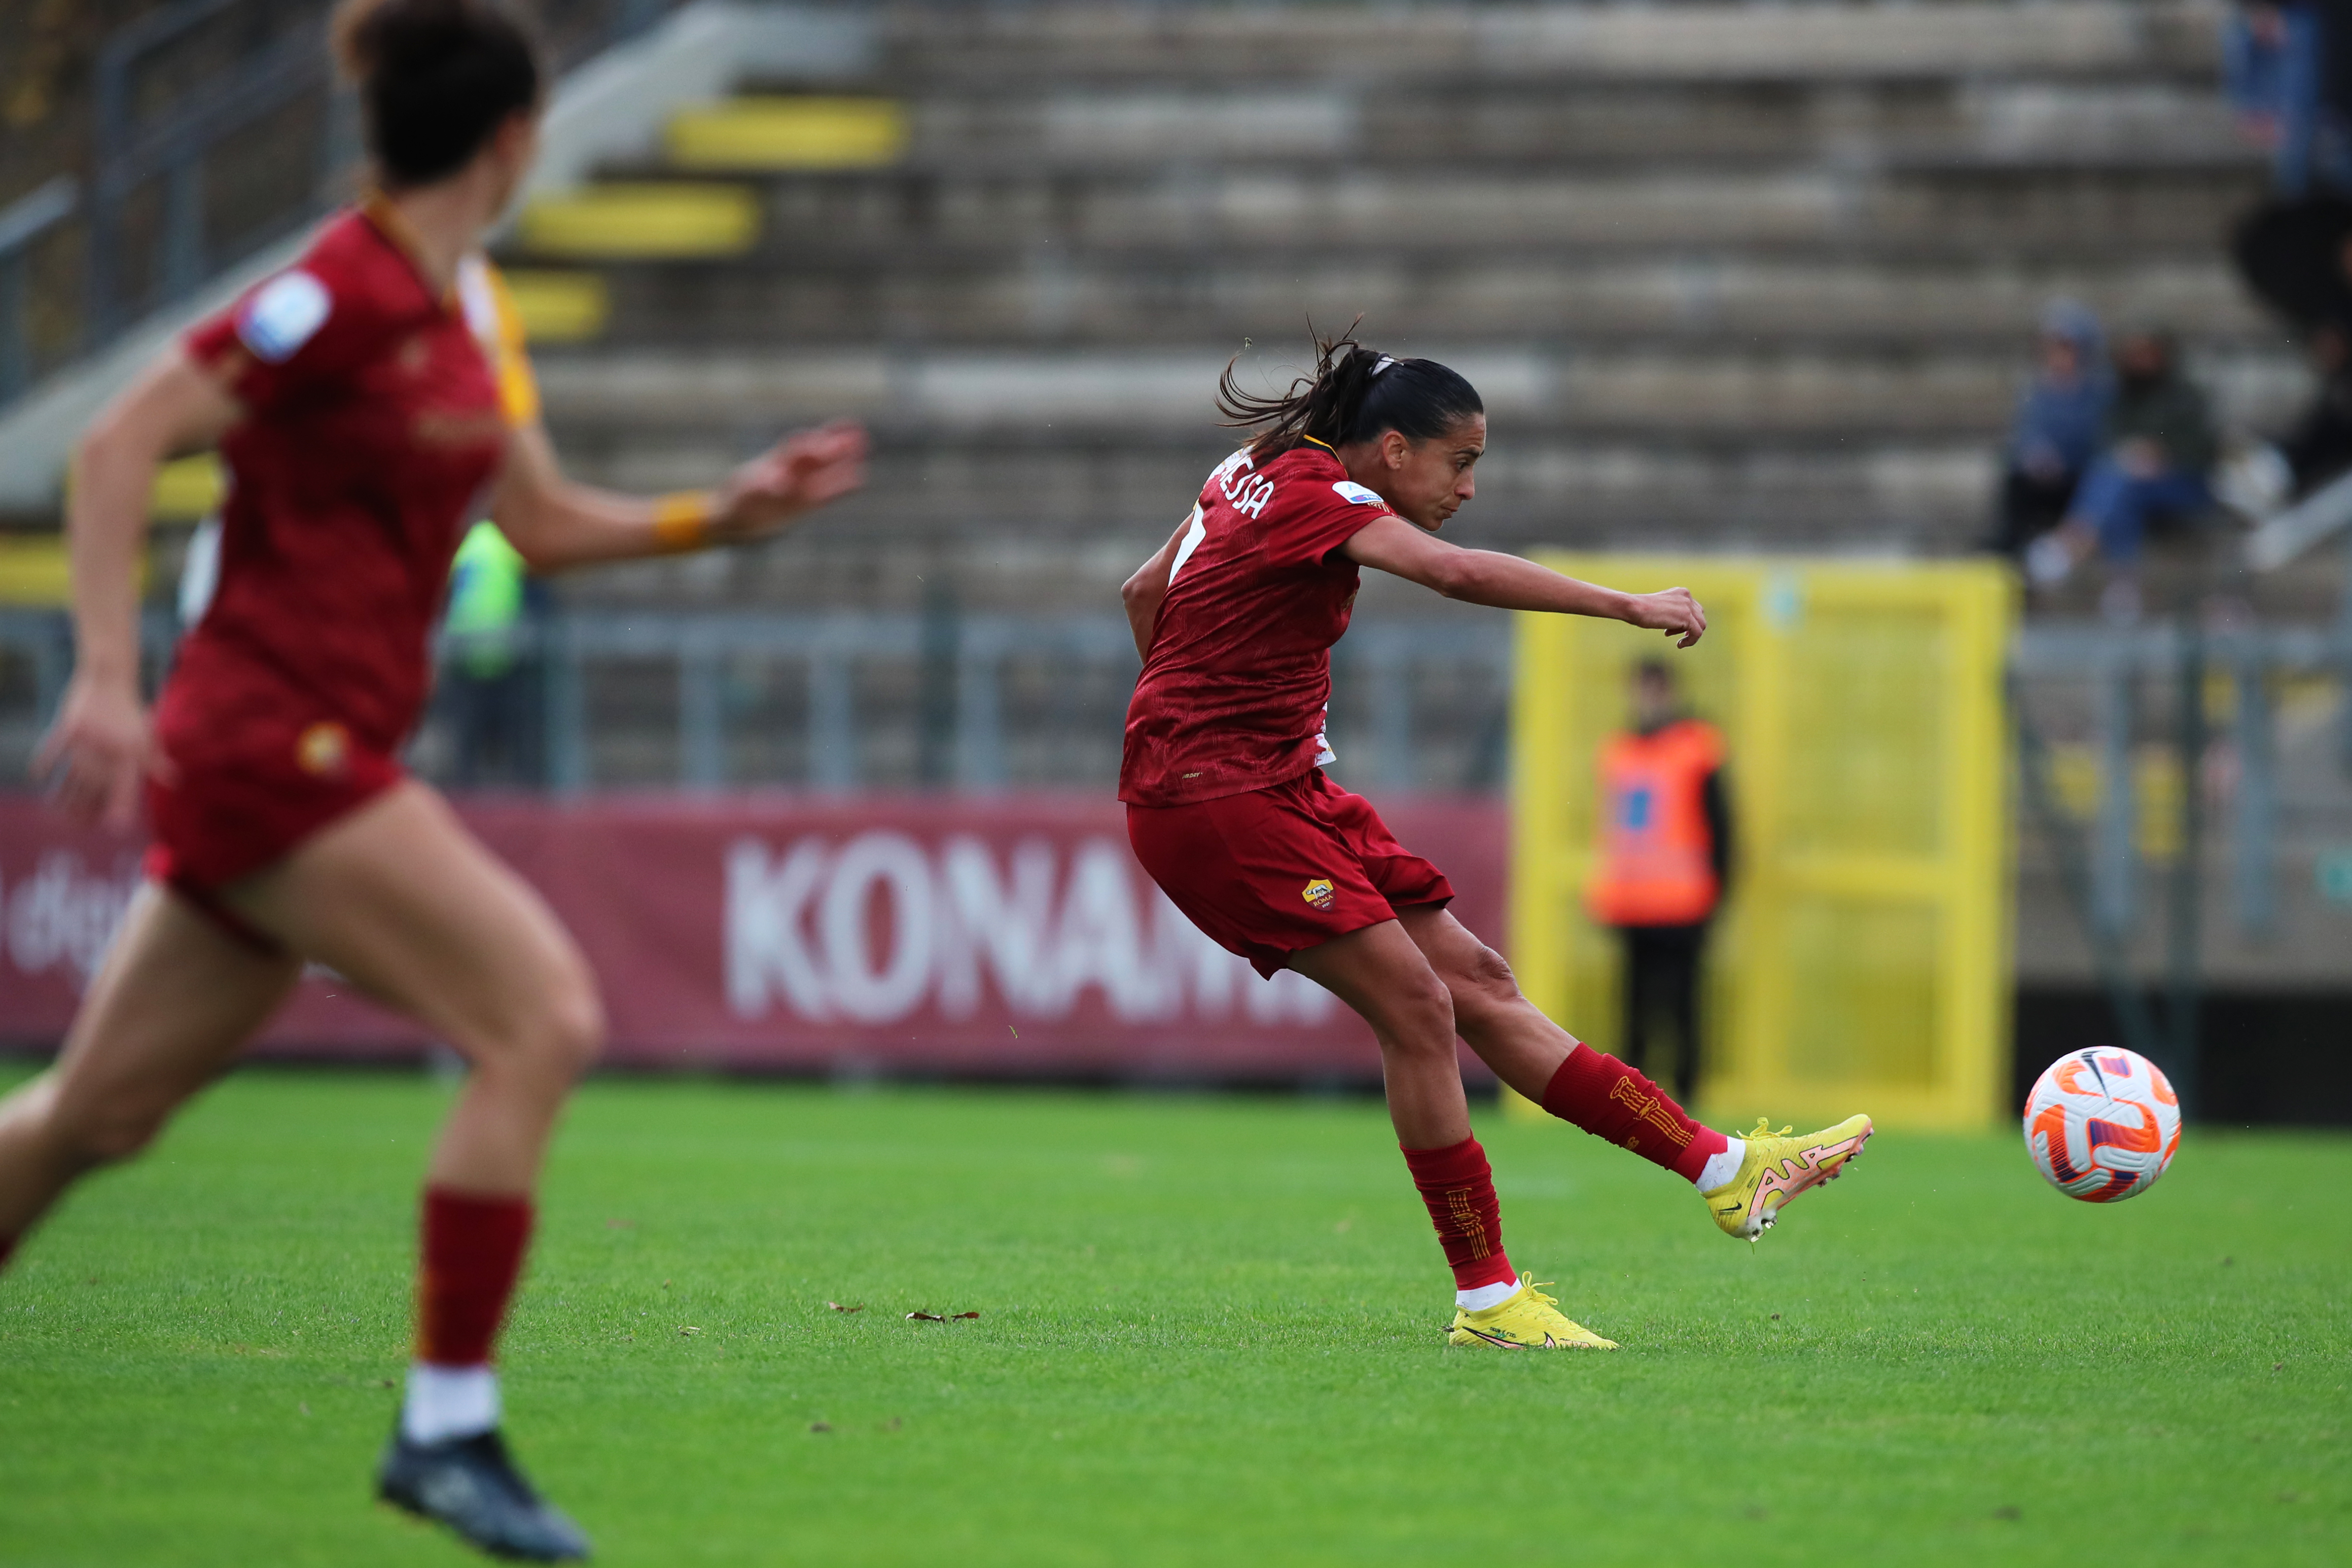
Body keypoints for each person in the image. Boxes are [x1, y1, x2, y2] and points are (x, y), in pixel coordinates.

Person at [0, 1, 865, 1559]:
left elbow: (534, 526)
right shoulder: (334, 289)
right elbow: (119, 445)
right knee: (540, 1013)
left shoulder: (464, 312)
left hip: (309, 753)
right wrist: (112, 678)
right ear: (518, 137)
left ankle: (441, 1425)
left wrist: (719, 517)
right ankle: (446, 1428)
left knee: (90, 1121)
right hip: (276, 747)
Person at [1118, 331, 1870, 1352]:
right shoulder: (1320, 501)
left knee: (1477, 982)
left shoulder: (1242, 474)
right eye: (1461, 461)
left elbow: (1144, 594)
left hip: (1269, 779)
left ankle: (1727, 1172)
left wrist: (1203, 703)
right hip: (1218, 798)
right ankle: (1488, 1300)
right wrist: (1626, 604)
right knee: (1420, 1008)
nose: (1469, 486)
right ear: (1391, 451)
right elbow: (1458, 575)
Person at [1587, 658, 1730, 1108]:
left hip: (1684, 902)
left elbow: (1722, 824)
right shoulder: (1619, 749)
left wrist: (1720, 891)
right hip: (1631, 901)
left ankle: (1688, 1097)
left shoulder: (1697, 746)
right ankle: (1631, 1102)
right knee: (1633, 1008)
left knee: (1683, 1006)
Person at [2028, 329, 2220, 618]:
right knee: (2118, 483)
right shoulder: (2120, 397)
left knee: (2116, 480)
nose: (2141, 361)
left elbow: (2204, 449)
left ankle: (2071, 543)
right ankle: (2120, 584)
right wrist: (2134, 455)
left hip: (2186, 484)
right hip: (2134, 484)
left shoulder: (2185, 397)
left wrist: (2164, 457)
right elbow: (2105, 440)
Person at [1988, 300, 2111, 559]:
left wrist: (2066, 459)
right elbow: (2026, 435)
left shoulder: (2100, 392)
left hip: (2080, 476)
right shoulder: (2039, 391)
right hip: (2044, 478)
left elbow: (2101, 441)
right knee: (2015, 480)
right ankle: (2010, 546)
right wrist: (2037, 456)